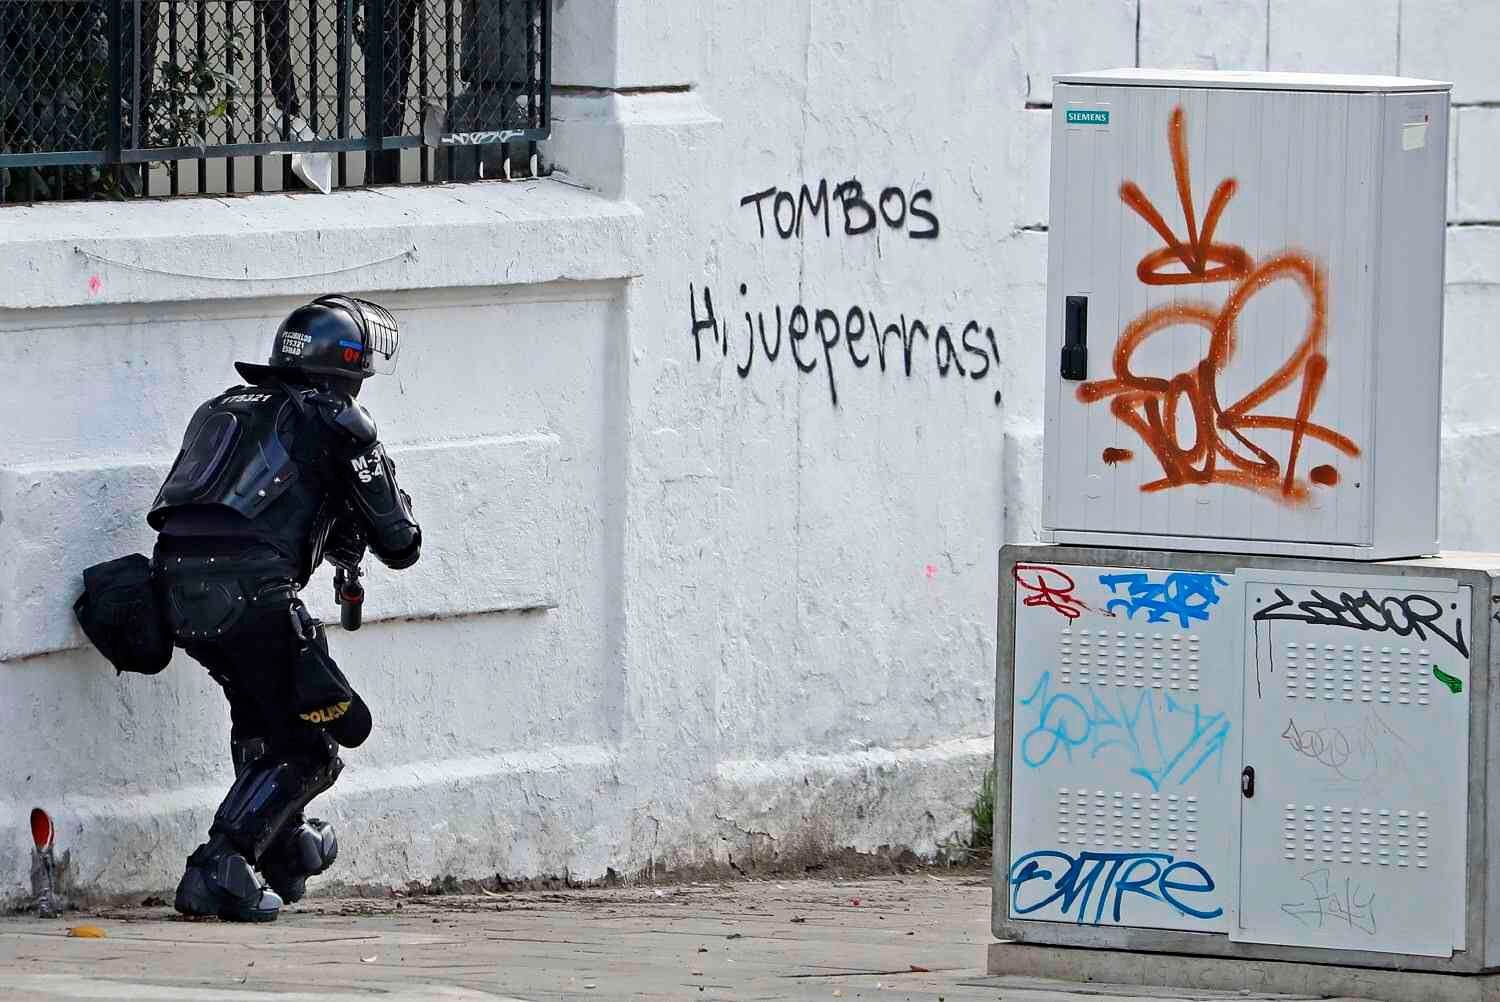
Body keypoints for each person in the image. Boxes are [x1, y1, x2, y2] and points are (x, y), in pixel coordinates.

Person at [146, 295, 421, 922]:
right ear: (344, 367)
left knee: (260, 718)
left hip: (176, 591)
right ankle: (222, 861)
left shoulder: (223, 407)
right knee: (311, 746)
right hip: (254, 596)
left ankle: (278, 847)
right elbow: (399, 542)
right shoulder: (339, 421)